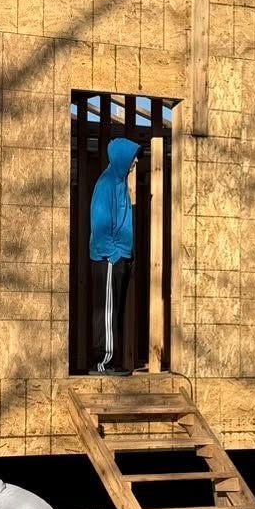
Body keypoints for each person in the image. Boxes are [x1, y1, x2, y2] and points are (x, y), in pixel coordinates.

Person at [89, 137, 139, 373]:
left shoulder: (121, 184)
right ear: (122, 159)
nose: (136, 161)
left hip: (120, 257)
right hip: (109, 258)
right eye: (132, 157)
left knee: (114, 311)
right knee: (106, 311)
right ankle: (102, 362)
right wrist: (113, 254)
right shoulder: (107, 184)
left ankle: (109, 360)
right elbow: (100, 226)